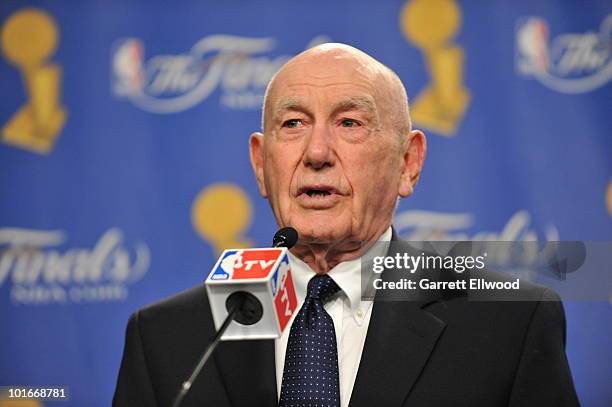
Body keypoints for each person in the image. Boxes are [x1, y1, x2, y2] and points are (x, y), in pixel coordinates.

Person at [113, 43, 580, 407]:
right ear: (260, 164)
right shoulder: (167, 338)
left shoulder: (507, 324)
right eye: (293, 123)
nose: (316, 153)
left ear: (408, 163)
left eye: (350, 123)